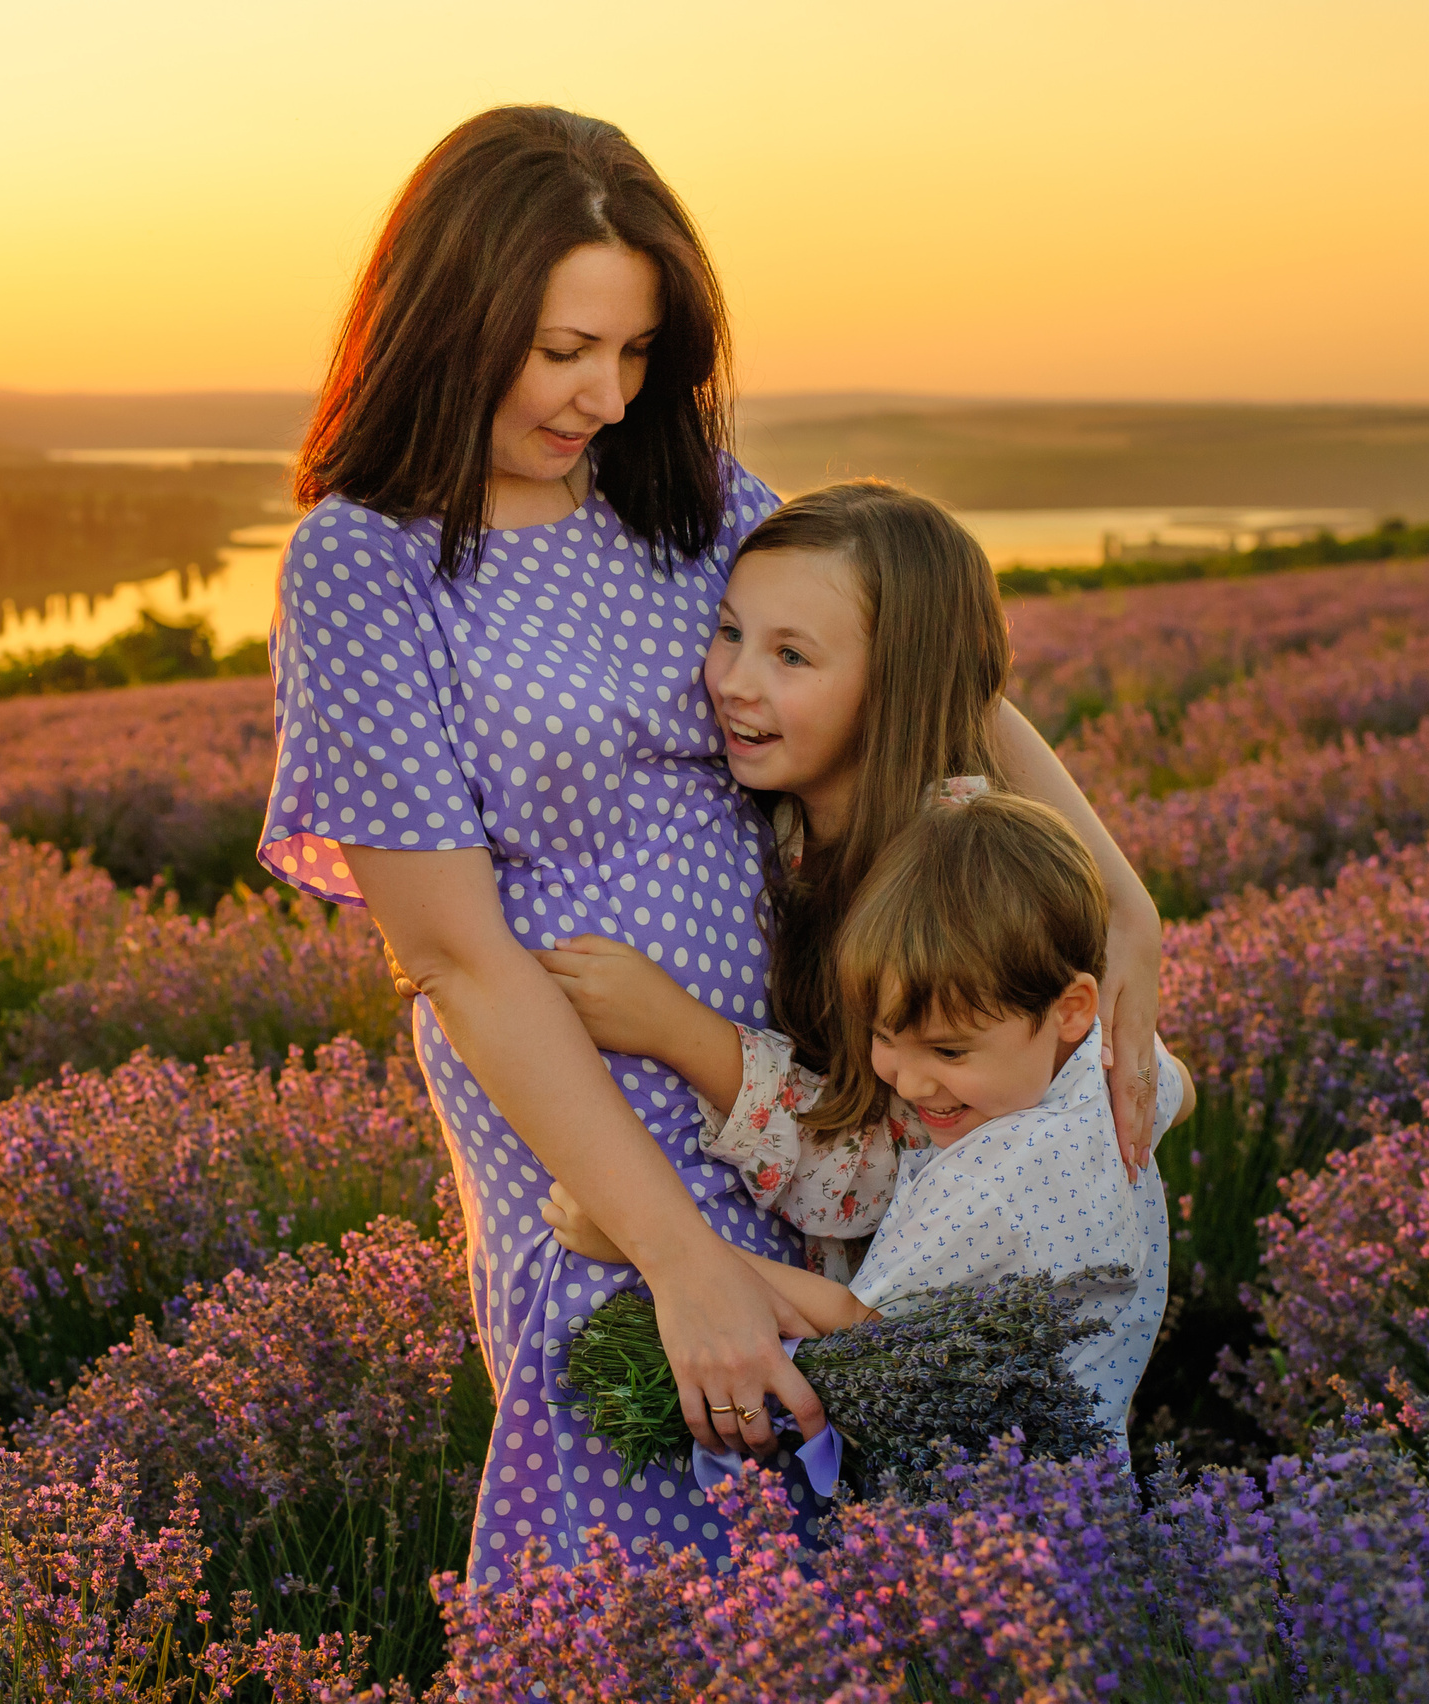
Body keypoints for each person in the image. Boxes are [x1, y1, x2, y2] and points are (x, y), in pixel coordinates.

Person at [257, 106, 1164, 1587]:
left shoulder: (684, 496)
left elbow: (919, 648)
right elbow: (456, 959)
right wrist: (678, 1256)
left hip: (792, 1071)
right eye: (562, 351)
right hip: (579, 1102)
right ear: (447, 315)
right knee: (643, 1508)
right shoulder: (366, 561)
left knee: (834, 1496)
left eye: (635, 353)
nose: (603, 396)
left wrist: (1119, 900)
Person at [543, 790, 1196, 1451]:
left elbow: (864, 1328)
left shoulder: (989, 1185)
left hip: (986, 1500)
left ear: (1072, 1006)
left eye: (949, 1050)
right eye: (886, 1035)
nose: (910, 1083)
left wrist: (652, 1246)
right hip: (1083, 1479)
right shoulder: (1104, 1071)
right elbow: (1180, 1090)